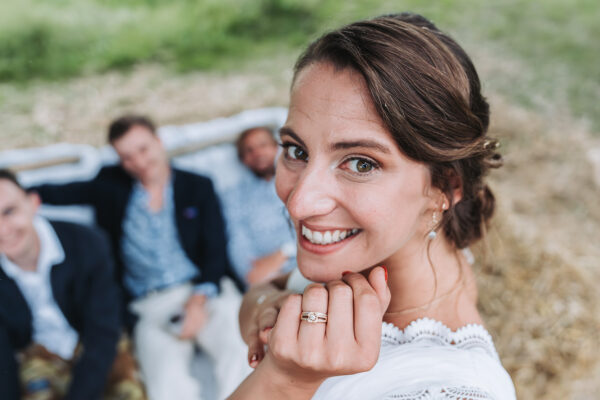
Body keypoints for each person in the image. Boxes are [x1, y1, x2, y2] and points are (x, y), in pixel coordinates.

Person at [229, 13, 516, 399]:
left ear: (444, 186)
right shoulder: (387, 249)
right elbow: (267, 286)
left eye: (361, 163)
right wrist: (266, 309)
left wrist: (285, 381)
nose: (298, 203)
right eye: (297, 151)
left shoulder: (452, 390)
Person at [30, 116, 251, 400]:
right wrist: (22, 195)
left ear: (159, 142)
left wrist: (198, 301)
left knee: (239, 354)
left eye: (143, 149)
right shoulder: (111, 184)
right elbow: (61, 192)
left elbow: (215, 249)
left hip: (204, 290)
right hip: (150, 303)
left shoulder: (197, 186)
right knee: (164, 385)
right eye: (127, 157)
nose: (138, 162)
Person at [0, 169, 145, 400]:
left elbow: (103, 330)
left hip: (93, 342)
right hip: (38, 355)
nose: (3, 229)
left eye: (9, 211)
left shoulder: (87, 243)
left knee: (127, 392)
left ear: (33, 203)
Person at [222, 127, 297, 287]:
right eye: (249, 150)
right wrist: (250, 274)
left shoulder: (298, 179)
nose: (257, 153)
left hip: (307, 264)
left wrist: (284, 253)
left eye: (263, 145)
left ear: (276, 147)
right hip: (266, 279)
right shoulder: (233, 196)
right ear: (243, 159)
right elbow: (236, 240)